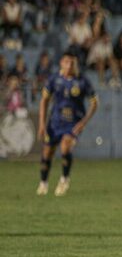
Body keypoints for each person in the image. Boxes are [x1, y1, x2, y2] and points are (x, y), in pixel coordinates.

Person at [36, 51, 99, 197]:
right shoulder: (54, 79)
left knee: (65, 146)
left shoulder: (82, 81)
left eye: (73, 63)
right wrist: (41, 124)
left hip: (73, 124)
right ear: (61, 63)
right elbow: (44, 101)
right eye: (67, 62)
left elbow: (95, 103)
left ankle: (64, 179)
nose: (70, 65)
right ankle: (43, 183)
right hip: (55, 122)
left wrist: (83, 122)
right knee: (47, 153)